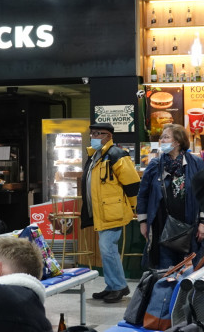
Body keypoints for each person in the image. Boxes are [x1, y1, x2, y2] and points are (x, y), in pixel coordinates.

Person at [80, 122, 140, 303]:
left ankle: (119, 286)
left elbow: (132, 183)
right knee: (106, 250)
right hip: (102, 212)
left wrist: (136, 208)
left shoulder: (117, 154)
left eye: (97, 133)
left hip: (113, 211)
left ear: (108, 136)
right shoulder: (95, 155)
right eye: (92, 133)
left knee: (108, 249)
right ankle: (112, 285)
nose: (93, 137)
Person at [136, 123, 204, 269]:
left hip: (190, 227)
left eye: (166, 137)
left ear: (178, 141)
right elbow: (143, 195)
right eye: (161, 137)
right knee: (165, 271)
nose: (162, 140)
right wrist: (143, 222)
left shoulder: (196, 164)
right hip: (162, 227)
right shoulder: (155, 165)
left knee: (189, 271)